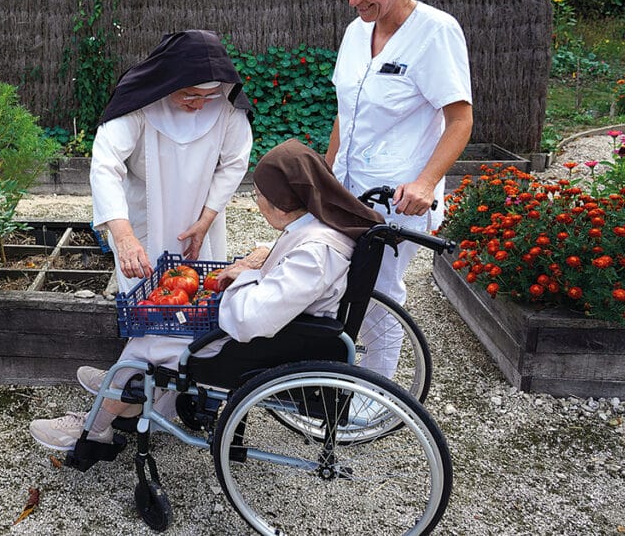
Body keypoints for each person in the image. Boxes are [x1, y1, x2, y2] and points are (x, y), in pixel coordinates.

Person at [29, 139, 384, 451]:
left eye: (259, 193)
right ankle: (127, 393)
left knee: (154, 337)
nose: (256, 199)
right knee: (164, 323)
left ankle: (95, 427)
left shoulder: (315, 252)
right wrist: (260, 259)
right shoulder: (322, 226)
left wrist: (243, 276)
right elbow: (291, 274)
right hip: (286, 328)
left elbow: (251, 319)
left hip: (265, 342)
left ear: (279, 202)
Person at [324, 0, 474, 377]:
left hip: (397, 194)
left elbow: (460, 119)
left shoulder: (435, 32)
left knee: (379, 292)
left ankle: (379, 390)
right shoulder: (355, 32)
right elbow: (344, 113)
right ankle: (338, 373)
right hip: (347, 188)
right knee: (334, 282)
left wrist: (426, 182)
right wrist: (325, 175)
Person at [89, 29, 254, 295]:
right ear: (168, 83)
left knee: (202, 294)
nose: (200, 105)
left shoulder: (223, 101)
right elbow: (106, 166)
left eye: (208, 96)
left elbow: (235, 162)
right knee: (143, 297)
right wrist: (124, 237)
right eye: (190, 95)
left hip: (202, 214)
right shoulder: (138, 102)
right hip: (145, 210)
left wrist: (207, 218)